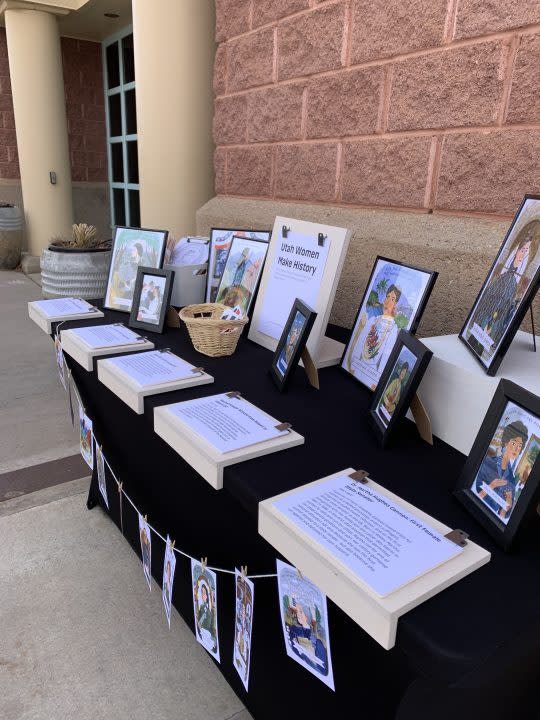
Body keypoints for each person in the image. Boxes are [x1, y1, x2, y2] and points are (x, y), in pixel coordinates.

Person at [467, 221, 539, 358]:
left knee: (497, 317)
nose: (523, 254)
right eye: (523, 250)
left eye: (527, 251)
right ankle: (475, 338)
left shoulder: (520, 270)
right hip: (498, 289)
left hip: (507, 292)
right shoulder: (508, 265)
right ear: (518, 249)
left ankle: (485, 342)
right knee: (487, 313)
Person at [345, 284, 402, 389]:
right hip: (358, 366)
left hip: (372, 374)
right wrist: (353, 365)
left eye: (393, 299)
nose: (388, 301)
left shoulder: (393, 329)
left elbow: (386, 356)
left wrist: (377, 381)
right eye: (388, 297)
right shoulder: (373, 320)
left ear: (396, 304)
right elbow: (360, 342)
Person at [474, 419, 528, 521]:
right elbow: (473, 493)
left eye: (520, 446)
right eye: (514, 443)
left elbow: (503, 516)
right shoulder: (488, 462)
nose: (516, 449)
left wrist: (508, 502)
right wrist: (492, 486)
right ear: (506, 442)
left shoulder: (511, 479)